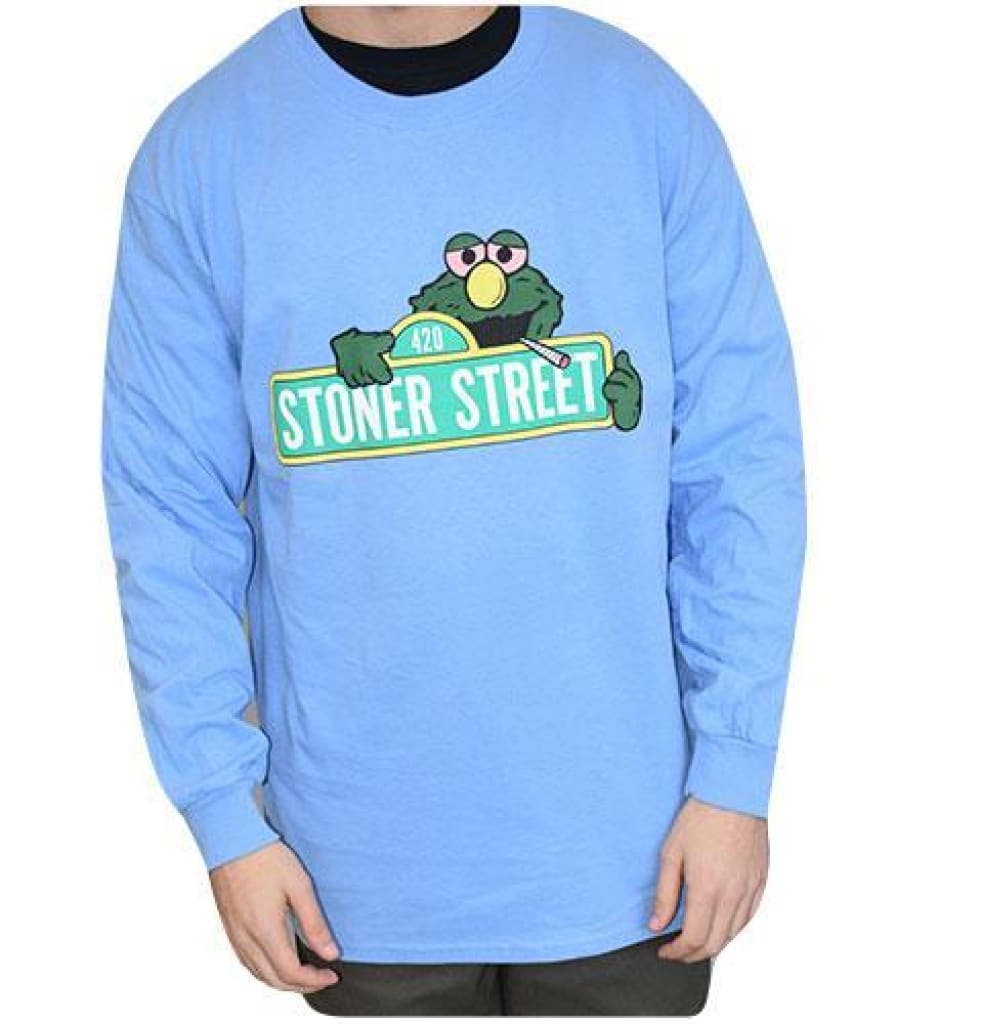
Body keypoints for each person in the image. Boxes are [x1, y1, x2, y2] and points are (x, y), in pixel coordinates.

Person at [102, 5, 805, 1015]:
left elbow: (739, 467)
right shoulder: (202, 151)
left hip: (633, 855)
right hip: (351, 874)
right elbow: (170, 514)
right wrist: (221, 810)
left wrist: (735, 768)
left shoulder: (638, 108)